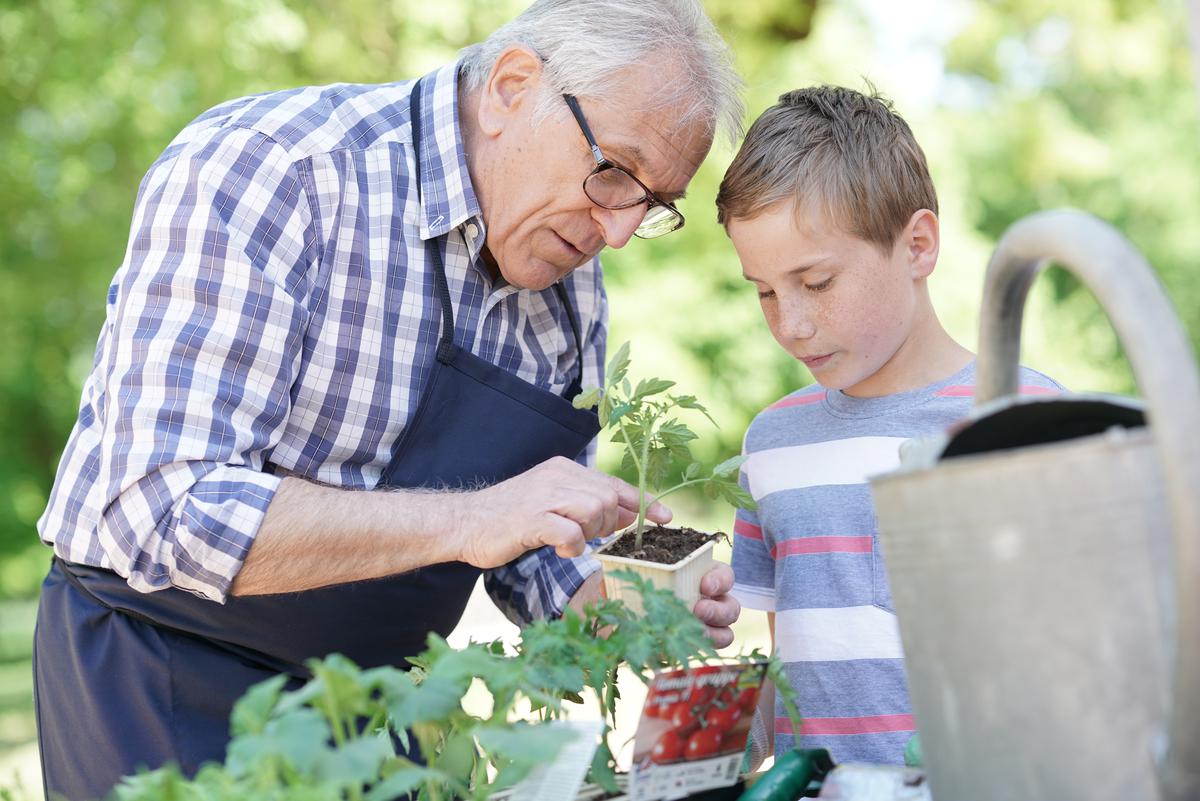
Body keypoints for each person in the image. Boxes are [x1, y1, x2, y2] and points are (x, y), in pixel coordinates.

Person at [32, 2, 746, 798]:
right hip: (164, 678)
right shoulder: (274, 169)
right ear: (513, 86)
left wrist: (612, 601)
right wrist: (473, 518)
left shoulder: (569, 289)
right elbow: (159, 506)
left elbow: (534, 548)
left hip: (381, 714)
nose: (617, 231)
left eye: (653, 204)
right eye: (614, 169)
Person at [715, 85, 1063, 766]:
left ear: (918, 246)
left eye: (816, 283)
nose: (791, 323)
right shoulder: (771, 445)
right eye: (763, 290)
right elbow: (785, 679)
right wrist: (693, 743)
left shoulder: (1025, 418)